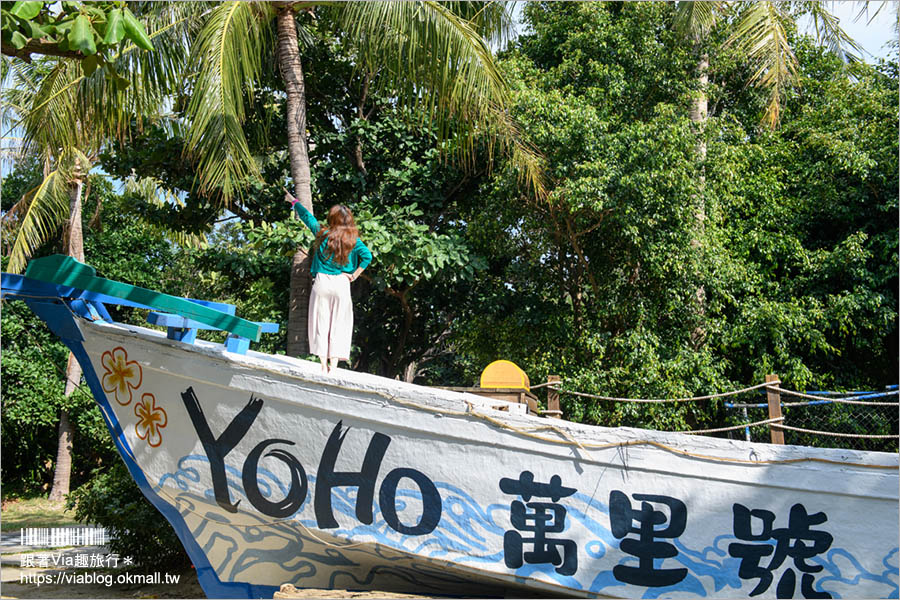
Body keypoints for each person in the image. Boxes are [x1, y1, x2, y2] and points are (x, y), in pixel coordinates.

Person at [285, 193, 372, 373]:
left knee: (320, 322)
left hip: (322, 282)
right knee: (340, 324)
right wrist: (354, 275)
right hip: (342, 283)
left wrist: (293, 201)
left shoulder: (322, 233)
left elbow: (307, 217)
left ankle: (323, 364)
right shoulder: (353, 239)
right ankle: (333, 366)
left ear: (332, 219)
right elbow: (367, 257)